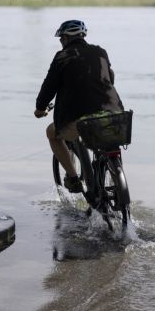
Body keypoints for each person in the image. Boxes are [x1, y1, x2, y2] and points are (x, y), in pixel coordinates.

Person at [34, 19, 124, 193]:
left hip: (79, 119)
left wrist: (40, 108)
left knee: (52, 133)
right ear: (83, 36)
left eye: (61, 39)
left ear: (65, 38)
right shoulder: (101, 52)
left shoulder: (61, 57)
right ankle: (118, 189)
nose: (61, 42)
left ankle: (74, 179)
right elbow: (109, 76)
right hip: (113, 114)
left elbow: (49, 87)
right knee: (109, 143)